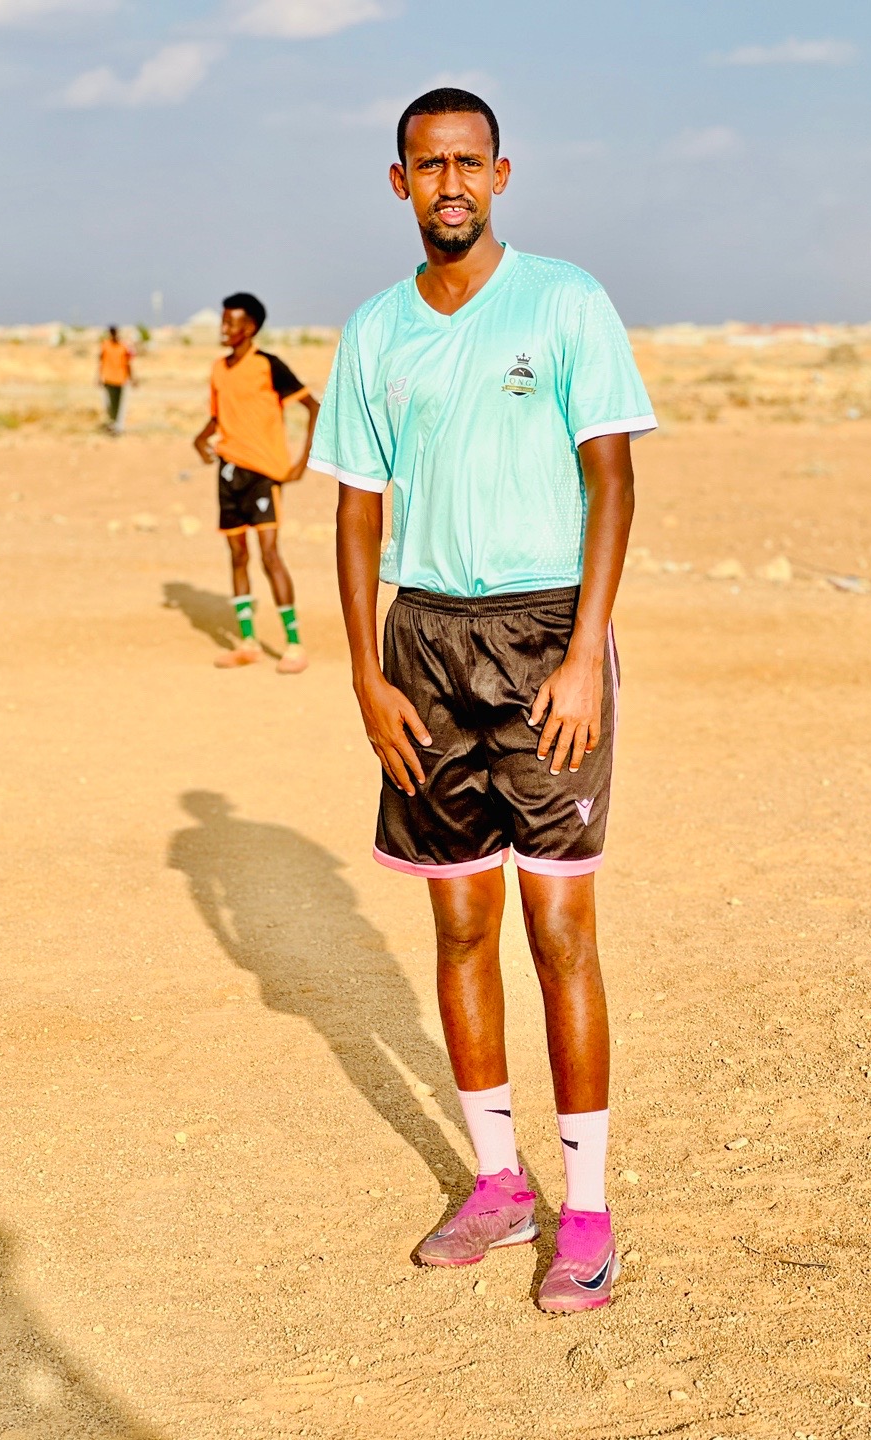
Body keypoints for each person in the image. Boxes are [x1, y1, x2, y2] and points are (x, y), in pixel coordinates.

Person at [309, 88, 656, 1311]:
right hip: (424, 645)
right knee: (460, 925)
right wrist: (367, 672)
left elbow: (612, 479)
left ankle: (588, 1212)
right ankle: (500, 1186)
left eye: (468, 161)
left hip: (548, 633)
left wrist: (585, 651)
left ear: (501, 174)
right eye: (427, 164)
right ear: (398, 181)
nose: (449, 181)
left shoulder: (563, 302)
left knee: (559, 931)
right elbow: (356, 508)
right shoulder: (376, 330)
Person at [193, 293, 320, 674]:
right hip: (229, 472)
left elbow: (313, 407)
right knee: (237, 554)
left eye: (231, 322)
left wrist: (301, 464)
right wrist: (201, 438)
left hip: (264, 475)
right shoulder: (218, 368)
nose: (224, 328)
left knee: (269, 554)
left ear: (249, 328)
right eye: (223, 321)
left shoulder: (269, 365)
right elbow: (220, 417)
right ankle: (248, 642)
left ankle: (293, 645)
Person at [98, 326, 134, 434]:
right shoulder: (105, 345)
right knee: (109, 404)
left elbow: (128, 363)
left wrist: (132, 378)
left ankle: (118, 427)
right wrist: (99, 377)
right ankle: (112, 423)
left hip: (121, 379)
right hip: (108, 379)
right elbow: (101, 362)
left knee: (119, 405)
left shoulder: (123, 346)